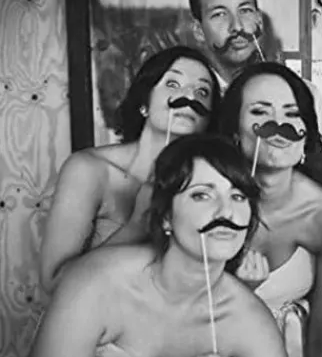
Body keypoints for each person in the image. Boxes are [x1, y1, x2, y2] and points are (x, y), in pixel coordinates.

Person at [24, 134, 290, 357]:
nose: (226, 211)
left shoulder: (251, 321)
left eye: (238, 196)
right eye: (202, 195)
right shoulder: (96, 283)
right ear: (165, 217)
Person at [40, 46, 221, 293]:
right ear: (144, 103)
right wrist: (137, 225)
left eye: (202, 91)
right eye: (173, 84)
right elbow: (54, 282)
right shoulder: (89, 170)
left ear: (208, 119)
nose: (190, 96)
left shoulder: (210, 184)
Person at [219, 62, 322, 357]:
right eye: (260, 112)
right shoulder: (206, 199)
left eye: (292, 114)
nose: (278, 125)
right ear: (234, 131)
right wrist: (240, 292)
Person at [187, 0, 322, 193]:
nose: (237, 26)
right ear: (199, 30)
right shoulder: (190, 103)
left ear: (259, 20)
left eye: (245, 11)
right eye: (219, 14)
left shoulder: (302, 93)